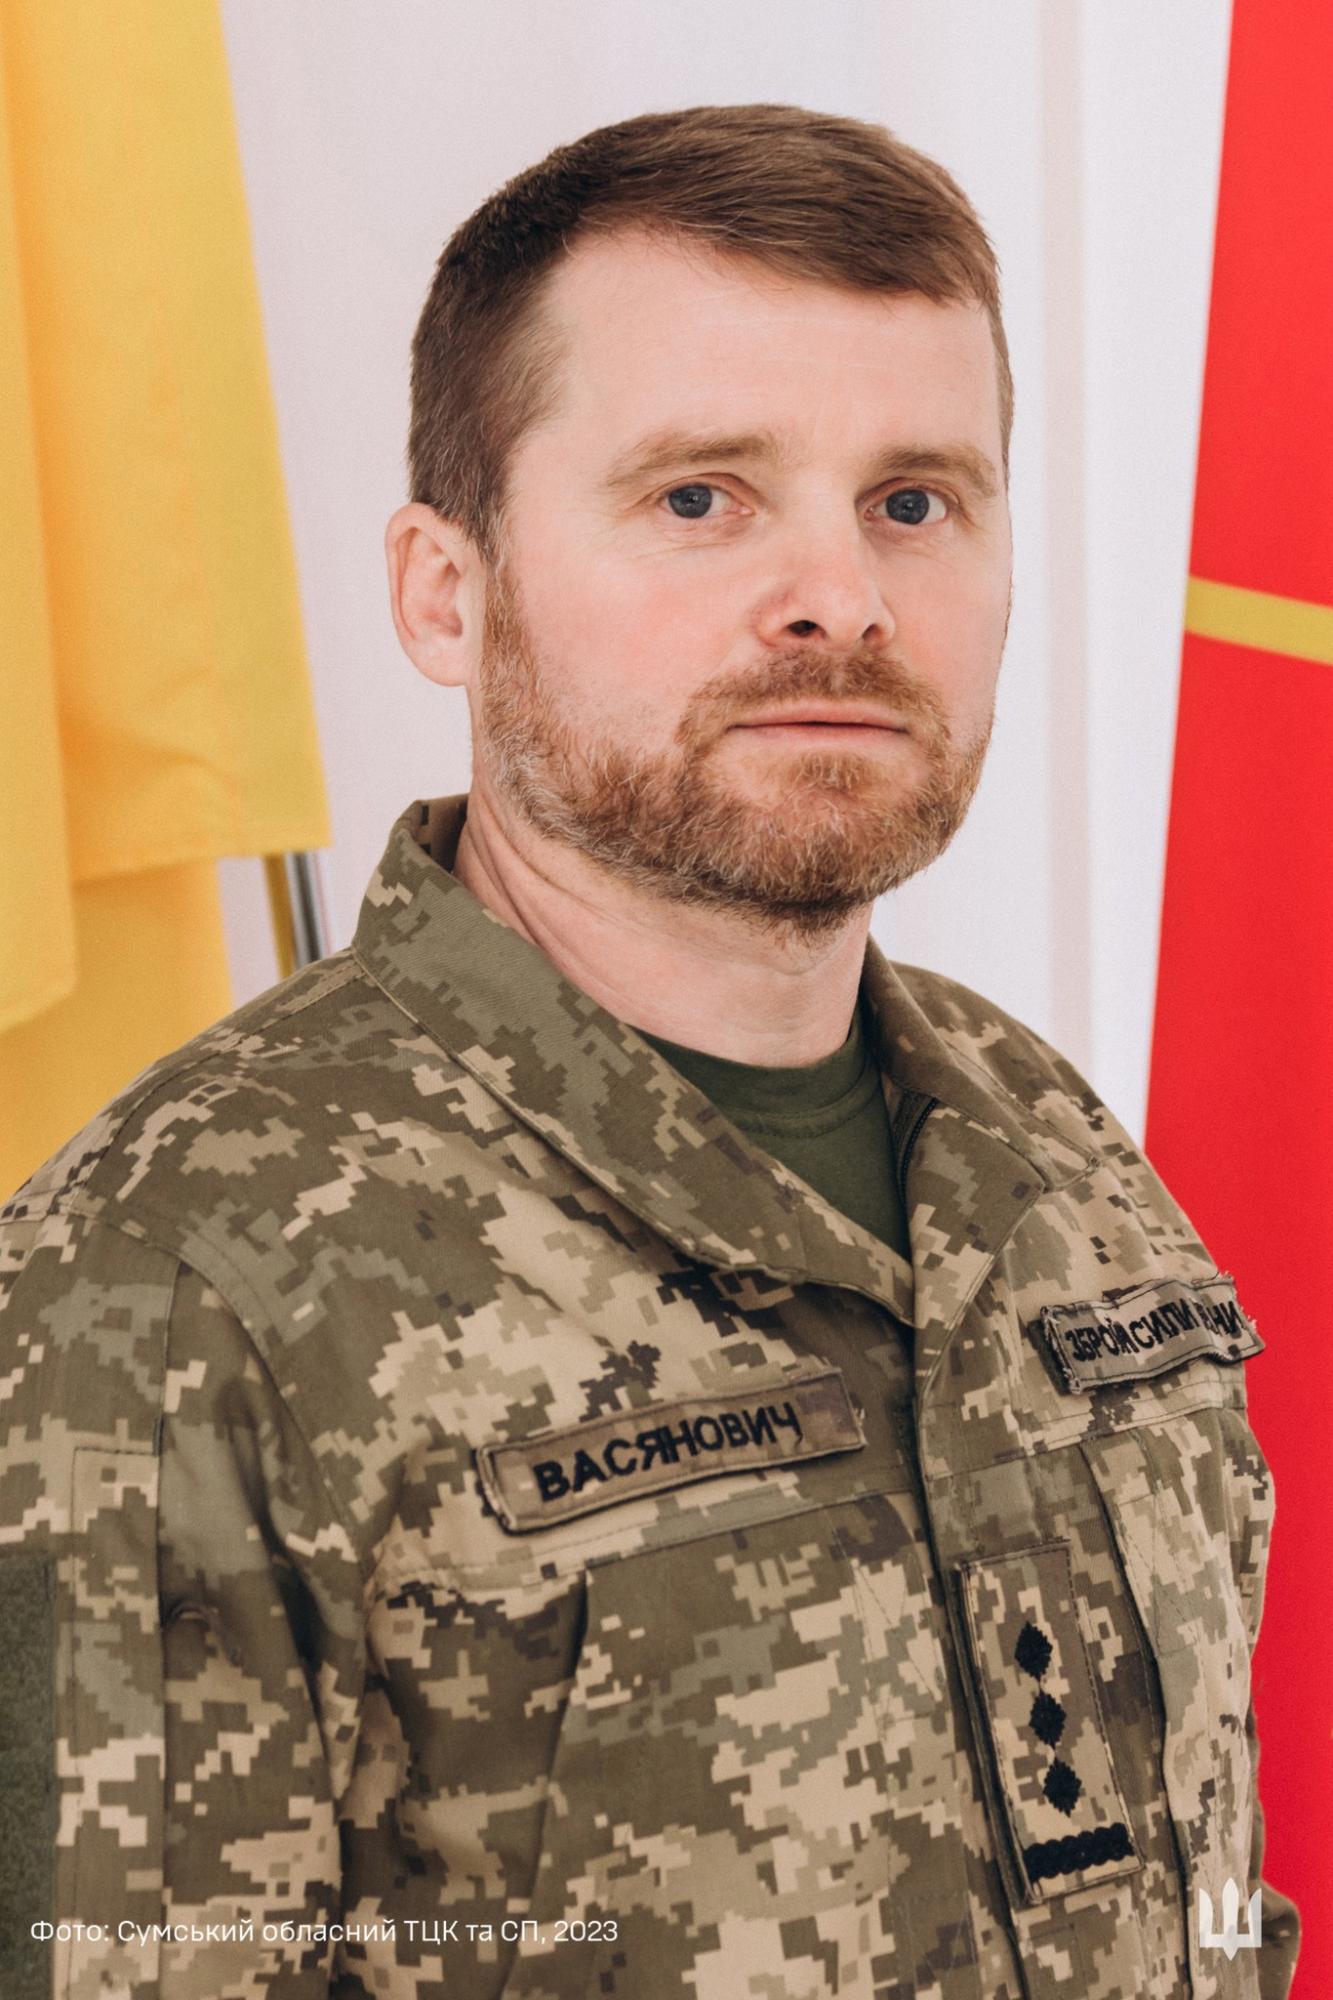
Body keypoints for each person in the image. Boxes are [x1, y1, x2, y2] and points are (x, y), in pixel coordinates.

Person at [0, 104, 1299, 2000]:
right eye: (700, 497)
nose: (841, 597)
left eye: (914, 500)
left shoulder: (1049, 1152)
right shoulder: (171, 1285)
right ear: (445, 593)